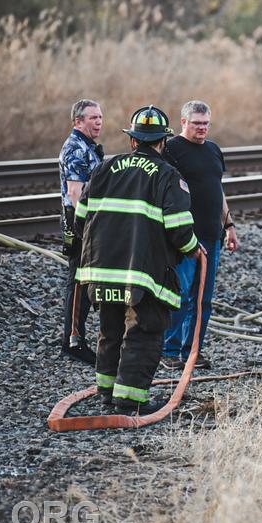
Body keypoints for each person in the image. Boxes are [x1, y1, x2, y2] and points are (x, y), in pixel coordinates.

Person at [74, 106, 200, 414]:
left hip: (101, 270)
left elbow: (79, 220)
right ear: (162, 142)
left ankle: (107, 392)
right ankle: (130, 399)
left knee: (110, 330)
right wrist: (194, 249)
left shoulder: (104, 169)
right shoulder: (168, 176)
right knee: (143, 332)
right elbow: (179, 229)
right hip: (143, 274)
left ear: (133, 140)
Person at [160, 101, 239, 370]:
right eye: (196, 123)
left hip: (211, 235)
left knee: (202, 299)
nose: (202, 128)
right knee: (180, 295)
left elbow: (217, 190)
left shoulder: (214, 150)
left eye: (206, 123)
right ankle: (170, 350)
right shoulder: (171, 149)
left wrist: (229, 225)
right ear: (183, 122)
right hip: (184, 237)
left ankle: (192, 351)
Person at [58, 99, 104, 364]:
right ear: (78, 121)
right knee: (78, 281)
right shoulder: (76, 148)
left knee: (84, 279)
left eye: (100, 117)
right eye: (92, 118)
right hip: (79, 221)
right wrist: (89, 226)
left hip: (87, 220)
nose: (98, 122)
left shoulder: (88, 147)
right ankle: (73, 341)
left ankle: (76, 337)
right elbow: (76, 193)